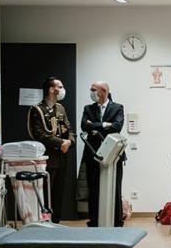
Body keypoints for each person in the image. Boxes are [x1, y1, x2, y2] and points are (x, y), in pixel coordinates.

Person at [28, 77, 74, 221]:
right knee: (46, 193)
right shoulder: (37, 110)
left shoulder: (60, 108)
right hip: (48, 159)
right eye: (60, 87)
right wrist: (61, 142)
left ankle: (57, 222)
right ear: (51, 89)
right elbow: (40, 135)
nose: (62, 90)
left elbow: (69, 129)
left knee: (59, 194)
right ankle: (45, 222)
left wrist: (70, 142)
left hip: (62, 158)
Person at [81, 80, 126, 227]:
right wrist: (105, 125)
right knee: (93, 189)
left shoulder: (117, 108)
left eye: (94, 90)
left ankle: (116, 221)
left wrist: (95, 127)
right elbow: (84, 125)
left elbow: (117, 127)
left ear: (103, 92)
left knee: (115, 188)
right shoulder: (88, 108)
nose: (91, 92)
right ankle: (94, 221)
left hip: (114, 154)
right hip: (93, 154)